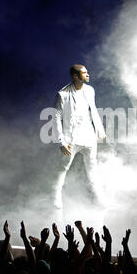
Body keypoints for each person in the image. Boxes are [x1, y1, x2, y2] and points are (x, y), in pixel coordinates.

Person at [52, 64, 106, 209]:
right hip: (71, 139)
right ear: (75, 76)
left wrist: (100, 130)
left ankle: (99, 199)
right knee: (63, 167)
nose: (88, 74)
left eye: (87, 72)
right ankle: (56, 197)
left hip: (89, 137)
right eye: (84, 73)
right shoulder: (62, 94)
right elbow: (56, 117)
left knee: (93, 168)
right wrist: (61, 141)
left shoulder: (90, 90)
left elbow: (93, 110)